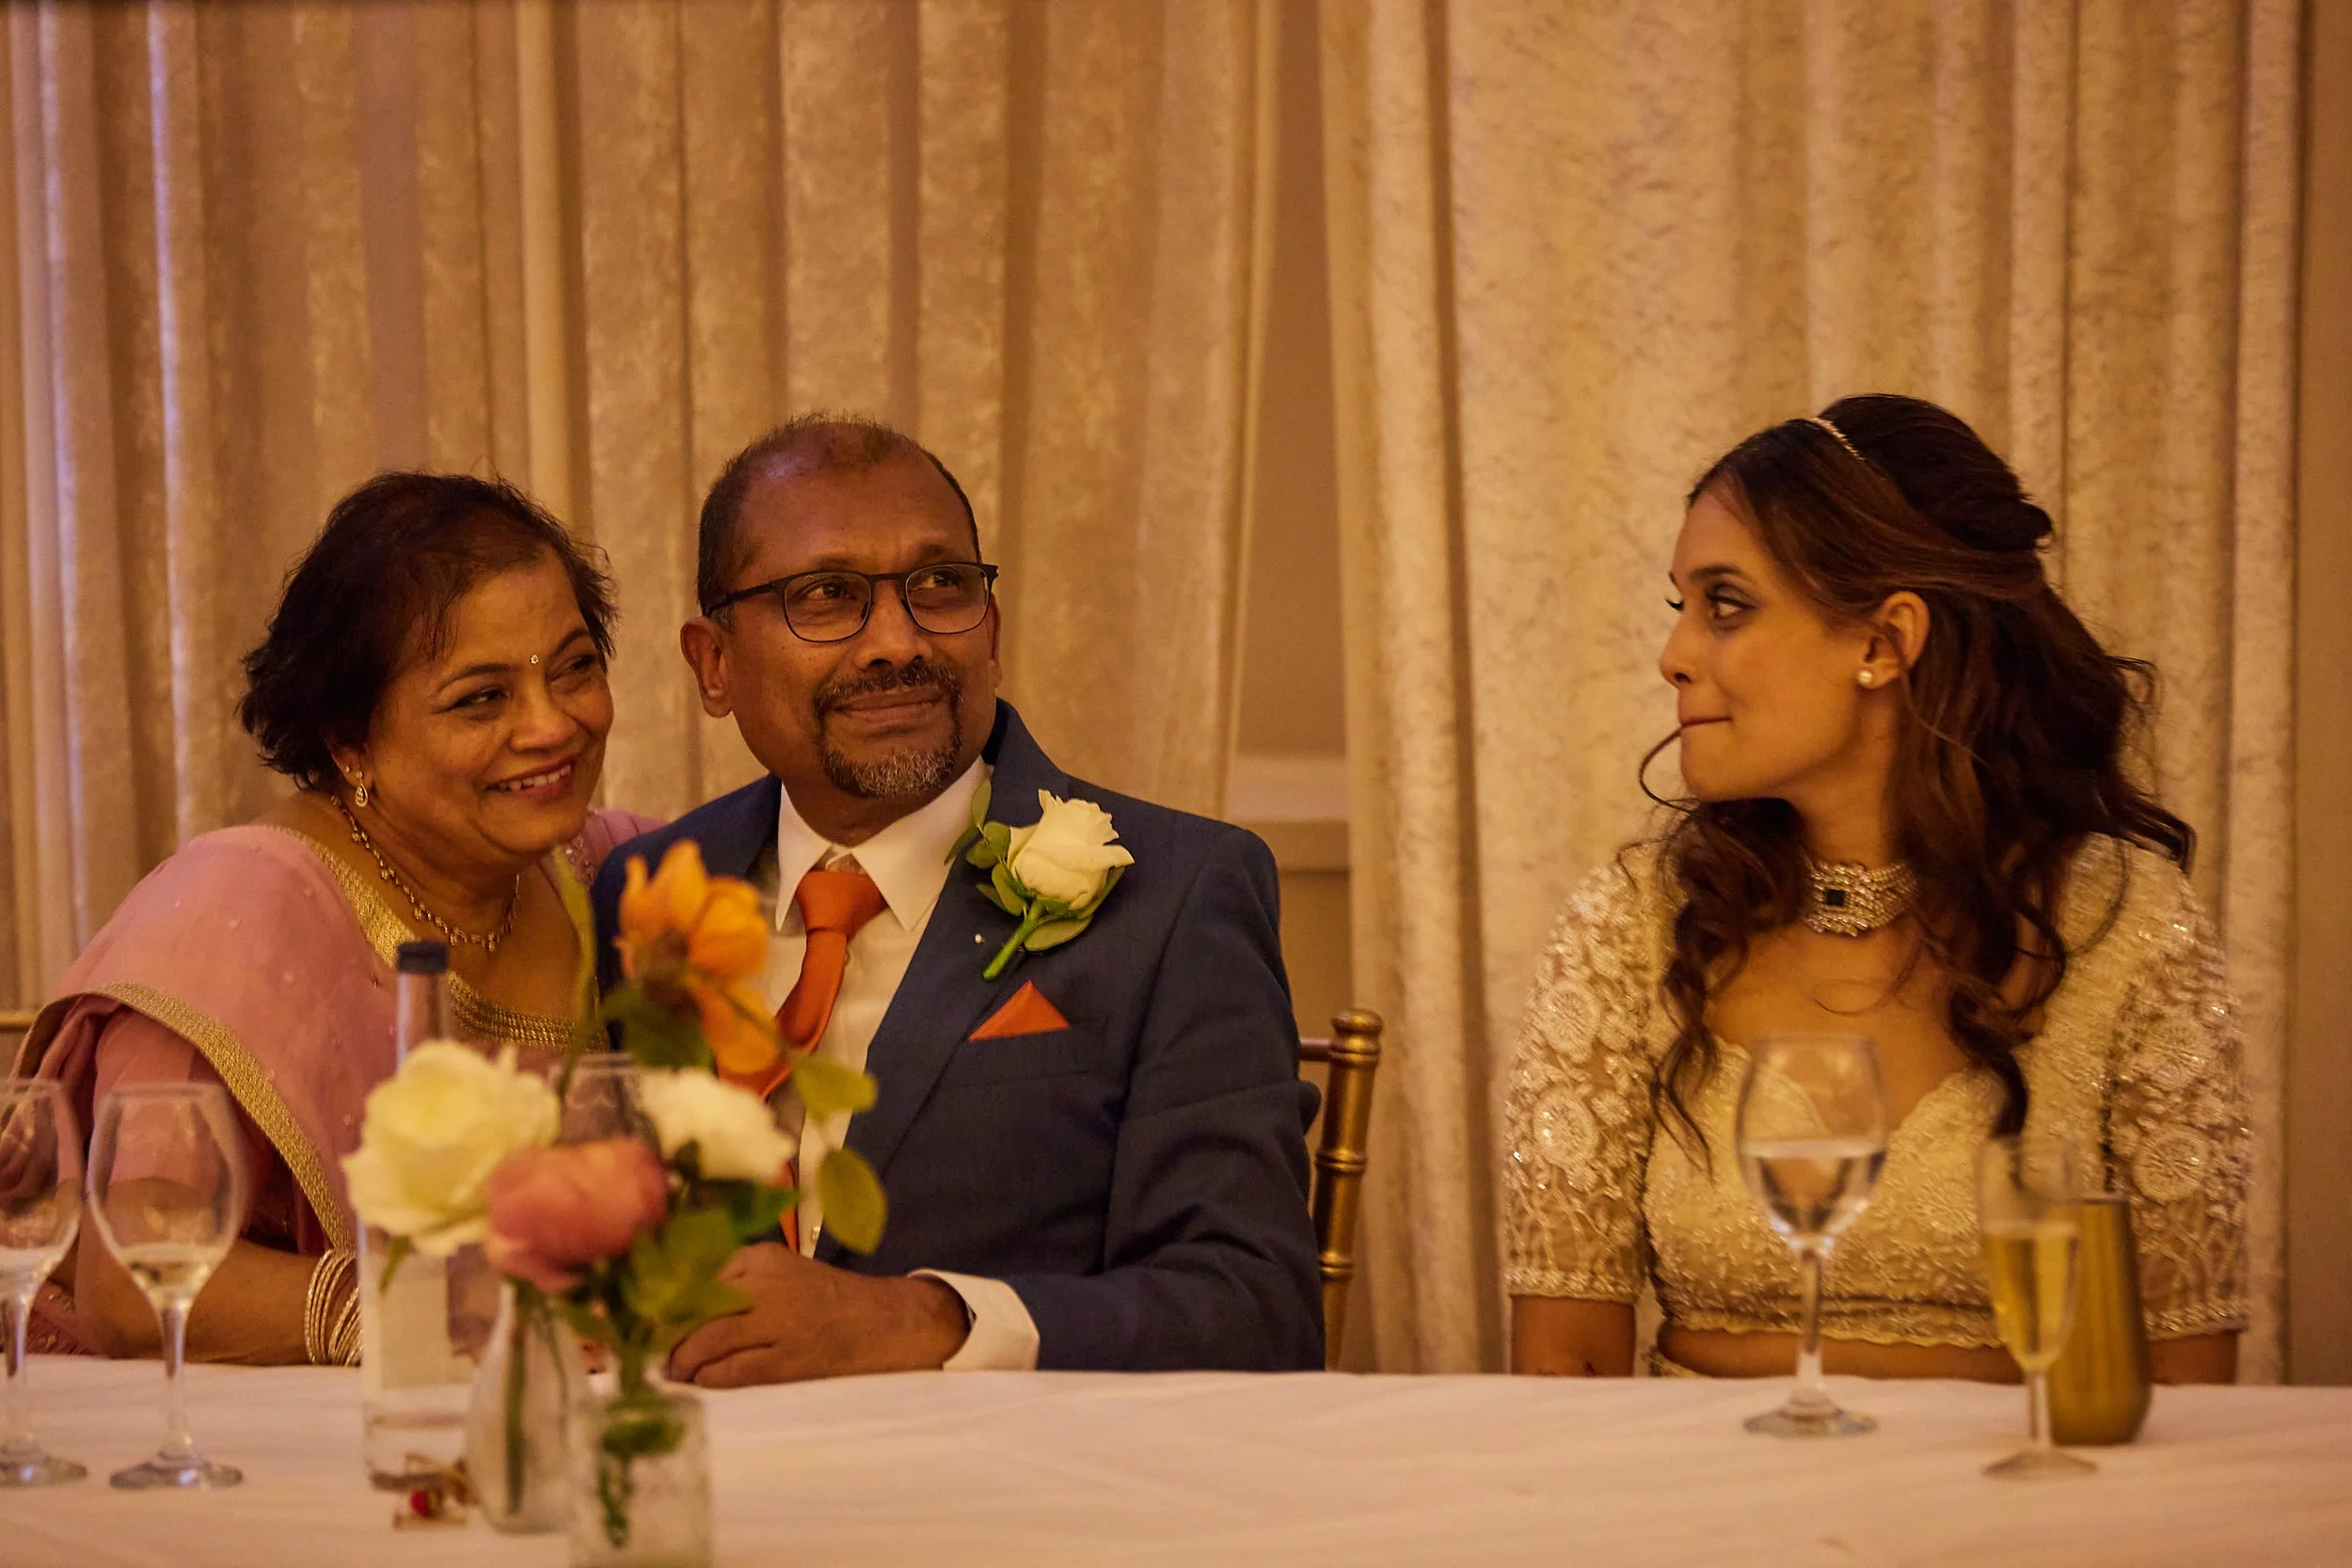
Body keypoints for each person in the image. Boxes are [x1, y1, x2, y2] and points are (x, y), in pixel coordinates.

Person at [1504, 395, 2247, 1385]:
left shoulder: (2124, 922)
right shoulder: (1635, 924)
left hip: (2022, 1512)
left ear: (1884, 642)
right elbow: (1565, 1366)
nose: (1674, 653)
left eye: (1724, 603)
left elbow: (2185, 1383)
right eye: (1680, 605)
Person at [589, 414, 1322, 1381]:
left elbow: (1254, 1305)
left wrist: (913, 1322)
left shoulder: (1177, 892)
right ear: (713, 663)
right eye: (827, 596)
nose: (897, 641)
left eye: (940, 586)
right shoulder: (650, 890)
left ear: (992, 629)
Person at [13, 474, 655, 1364]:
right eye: (482, 697)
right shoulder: (237, 911)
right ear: (350, 741)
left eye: (575, 667)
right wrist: (443, 1318)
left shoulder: (615, 874)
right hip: (214, 1446)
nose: (553, 726)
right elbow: (133, 1282)